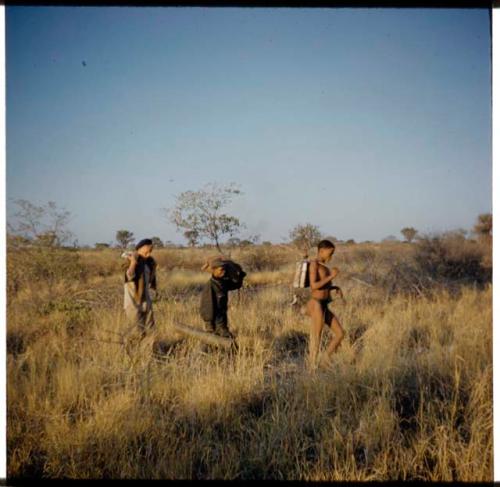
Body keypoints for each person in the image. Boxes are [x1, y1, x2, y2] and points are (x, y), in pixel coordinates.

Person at [306, 239, 345, 370]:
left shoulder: (324, 266)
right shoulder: (314, 265)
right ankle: (312, 367)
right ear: (321, 251)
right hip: (315, 303)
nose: (331, 256)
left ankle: (324, 360)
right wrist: (331, 277)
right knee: (317, 336)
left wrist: (335, 288)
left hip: (324, 304)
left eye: (332, 254)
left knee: (340, 333)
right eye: (330, 253)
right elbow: (313, 286)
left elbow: (323, 286)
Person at [123, 238, 157, 337]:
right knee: (136, 333)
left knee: (151, 330)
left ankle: (149, 351)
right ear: (140, 248)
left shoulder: (149, 263)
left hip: (146, 302)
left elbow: (150, 282)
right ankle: (135, 352)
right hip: (133, 303)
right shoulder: (129, 259)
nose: (149, 254)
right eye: (148, 250)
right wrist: (133, 262)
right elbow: (129, 275)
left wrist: (154, 268)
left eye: (151, 251)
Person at [199, 257, 234, 339]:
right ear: (214, 271)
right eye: (221, 270)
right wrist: (209, 326)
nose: (224, 272)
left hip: (222, 321)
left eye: (225, 269)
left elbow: (236, 284)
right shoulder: (210, 286)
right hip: (215, 322)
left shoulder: (222, 283)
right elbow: (206, 307)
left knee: (226, 339)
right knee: (221, 339)